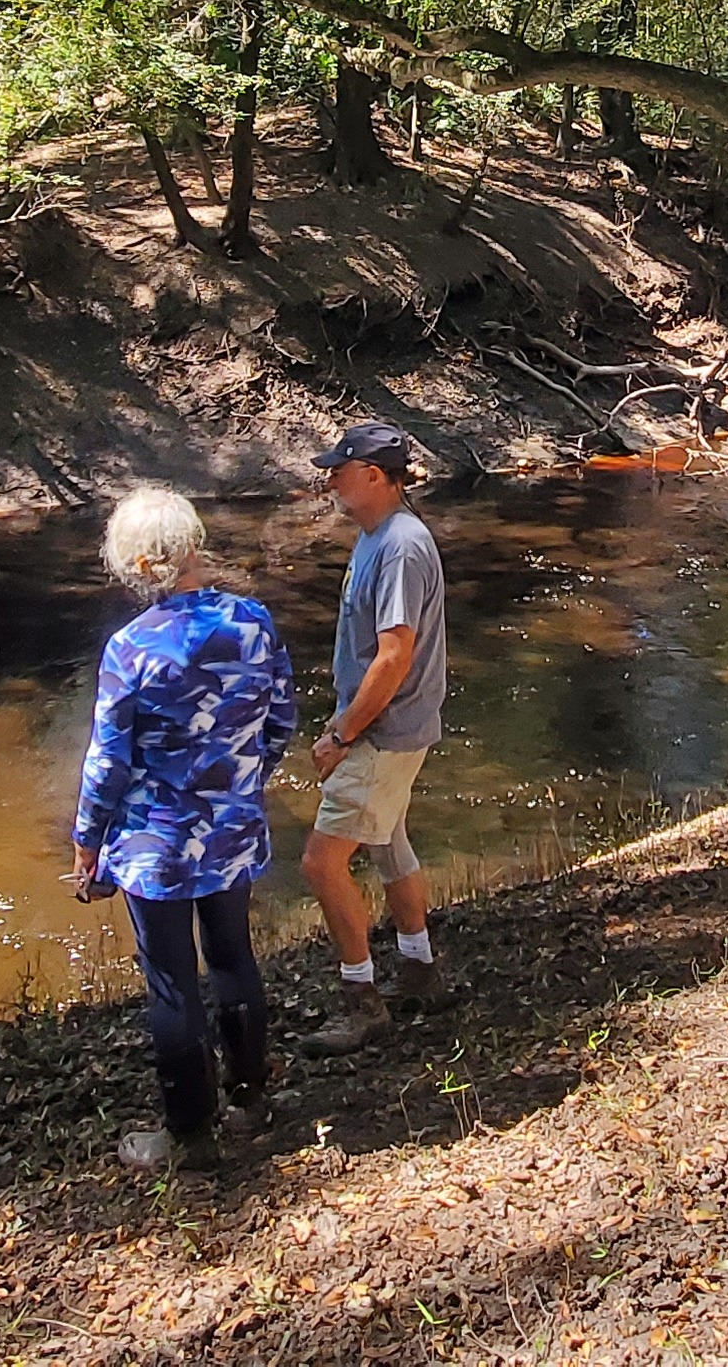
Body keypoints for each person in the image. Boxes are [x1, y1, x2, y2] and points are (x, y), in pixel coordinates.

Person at [67, 485, 292, 1170]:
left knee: (171, 981)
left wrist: (86, 843)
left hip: (155, 845)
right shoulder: (253, 621)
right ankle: (251, 1103)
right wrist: (240, 787)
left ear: (135, 565)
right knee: (233, 958)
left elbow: (108, 760)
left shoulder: (131, 647)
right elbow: (279, 723)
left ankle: (190, 1135)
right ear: (193, 547)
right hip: (232, 828)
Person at [296, 420, 451, 1055]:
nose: (329, 477)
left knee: (321, 862)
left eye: (339, 468)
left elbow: (393, 657)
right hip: (387, 729)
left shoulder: (401, 547)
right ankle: (420, 971)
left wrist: (341, 732)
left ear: (374, 476)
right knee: (389, 845)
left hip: (381, 733)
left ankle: (363, 1002)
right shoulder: (378, 538)